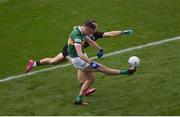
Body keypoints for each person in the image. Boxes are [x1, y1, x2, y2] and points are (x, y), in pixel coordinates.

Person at [26, 20, 133, 96]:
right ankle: (84, 88)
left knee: (53, 61)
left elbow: (109, 34)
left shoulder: (94, 34)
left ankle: (34, 63)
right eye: (94, 27)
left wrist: (123, 32)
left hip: (77, 52)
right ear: (89, 28)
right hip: (70, 51)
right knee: (80, 67)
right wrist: (91, 62)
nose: (96, 29)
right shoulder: (81, 34)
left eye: (96, 27)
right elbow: (79, 40)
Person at [66, 20, 136, 105]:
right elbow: (80, 54)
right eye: (91, 31)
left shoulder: (81, 30)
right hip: (79, 60)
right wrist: (91, 63)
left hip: (79, 58)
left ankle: (79, 99)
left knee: (90, 79)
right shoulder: (77, 36)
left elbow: (90, 41)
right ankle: (128, 72)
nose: (92, 34)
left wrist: (100, 49)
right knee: (103, 69)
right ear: (87, 29)